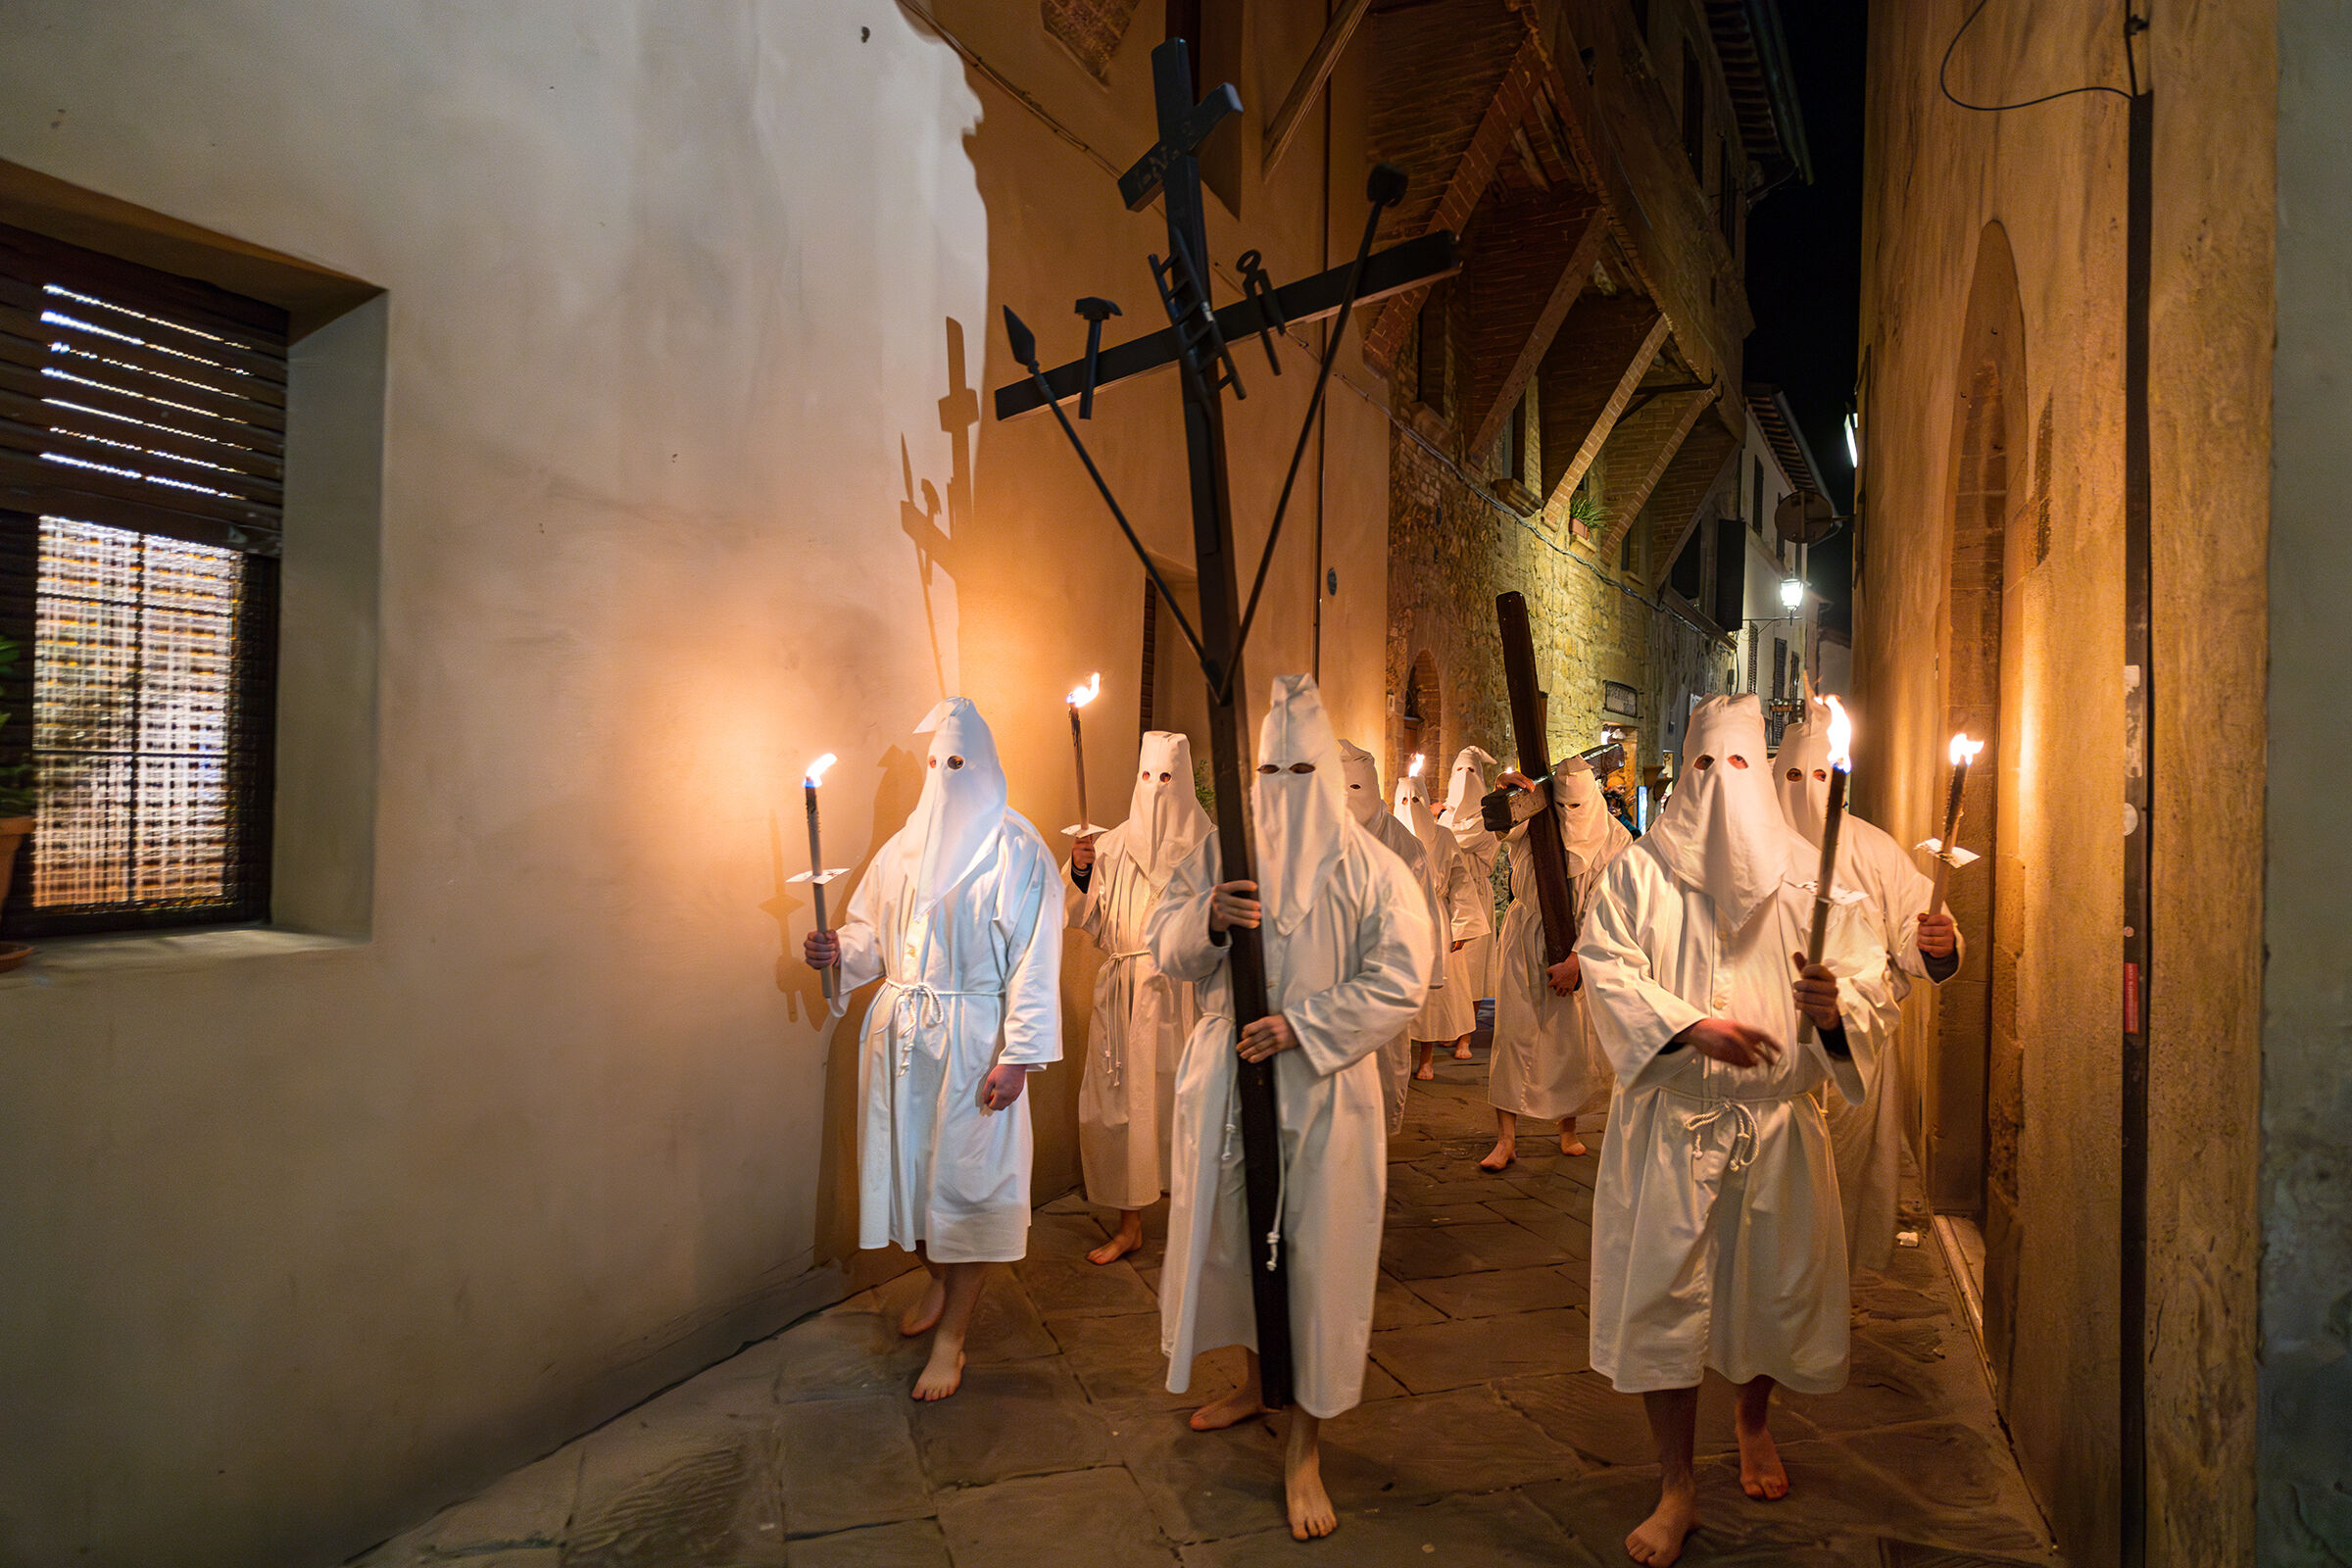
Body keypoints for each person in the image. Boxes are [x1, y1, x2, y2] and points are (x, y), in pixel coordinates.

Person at [1577, 694, 1894, 1566]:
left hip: (1772, 1124)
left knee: (1768, 1290)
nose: (1722, 787)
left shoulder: (1814, 880)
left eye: (1740, 767)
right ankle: (1676, 1482)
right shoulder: (1639, 875)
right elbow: (1608, 966)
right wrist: (1687, 1026)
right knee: (1665, 1305)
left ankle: (1752, 1419)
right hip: (1672, 1128)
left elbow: (1869, 990)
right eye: (1706, 767)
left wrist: (1832, 1014)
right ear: (1686, 770)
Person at [1151, 675, 1436, 1542]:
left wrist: (1304, 1026)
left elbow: (1399, 980)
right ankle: (1251, 1379)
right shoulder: (1218, 854)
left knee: (1317, 1261)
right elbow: (1168, 945)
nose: (1281, 787)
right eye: (1267, 769)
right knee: (1237, 1244)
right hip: (1228, 1087)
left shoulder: (1375, 869)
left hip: (1323, 1094)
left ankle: (1304, 1443)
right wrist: (1206, 915)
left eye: (1298, 768)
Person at [803, 697, 1062, 1401]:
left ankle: (953, 1338)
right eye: (934, 764)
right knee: (912, 1181)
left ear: (982, 767)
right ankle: (940, 1283)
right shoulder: (902, 847)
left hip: (976, 1043)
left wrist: (1020, 1056)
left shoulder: (1017, 850)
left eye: (958, 764)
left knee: (969, 1188)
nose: (945, 777)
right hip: (902, 1041)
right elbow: (867, 933)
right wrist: (837, 951)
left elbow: (1037, 960)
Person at [1774, 703, 1961, 1275]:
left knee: (1843, 1181)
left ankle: (1832, 1299)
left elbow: (1914, 921)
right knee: (1776, 1201)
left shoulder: (1875, 849)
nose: (1809, 792)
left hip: (1857, 1041)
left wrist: (1934, 942)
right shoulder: (1750, 848)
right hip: (1777, 1045)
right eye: (1795, 777)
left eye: (1823, 777)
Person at [1065, 730, 1211, 1265]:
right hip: (1125, 992)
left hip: (1183, 995)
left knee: (1183, 1105)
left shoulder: (1208, 846)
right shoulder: (1112, 844)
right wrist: (1082, 871)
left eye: (1166, 778)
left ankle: (1197, 1222)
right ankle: (1130, 1225)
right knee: (1124, 1109)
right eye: (1146, 777)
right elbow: (1092, 920)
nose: (1155, 789)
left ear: (1185, 781)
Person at [1477, 758, 1633, 1169]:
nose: (1570, 817)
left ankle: (1569, 1128)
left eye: (1577, 808)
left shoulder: (1615, 839)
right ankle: (1505, 1139)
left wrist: (1578, 959)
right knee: (1513, 1033)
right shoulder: (1538, 823)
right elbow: (1502, 824)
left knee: (1572, 1040)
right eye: (1563, 807)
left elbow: (1609, 905)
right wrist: (1502, 786)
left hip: (1580, 945)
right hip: (1525, 935)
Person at [1337, 739, 1441, 1135]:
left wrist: (1420, 974)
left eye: (1356, 788)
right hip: (1324, 977)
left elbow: (1424, 911)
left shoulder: (1401, 843)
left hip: (1380, 978)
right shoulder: (1315, 835)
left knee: (1376, 1076)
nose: (1347, 800)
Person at [1395, 764, 1490, 1082]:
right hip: (1398, 918)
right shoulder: (1390, 835)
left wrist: (1463, 926)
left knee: (1434, 996)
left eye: (1417, 800)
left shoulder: (1444, 837)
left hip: (1435, 920)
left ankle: (1426, 1057)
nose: (1411, 808)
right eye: (1405, 801)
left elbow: (1462, 884)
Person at [1435, 746, 1501, 1060]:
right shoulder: (1443, 817)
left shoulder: (1488, 817)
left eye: (1470, 772)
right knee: (1453, 968)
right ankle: (1451, 1025)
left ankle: (1466, 1033)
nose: (1464, 778)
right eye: (1459, 771)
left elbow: (1453, 841)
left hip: (1476, 894)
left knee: (1473, 969)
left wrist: (1434, 822)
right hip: (1450, 899)